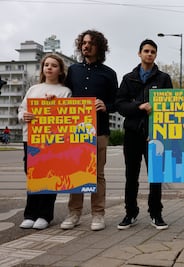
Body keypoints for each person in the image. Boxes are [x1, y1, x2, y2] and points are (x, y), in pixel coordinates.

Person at [60, 30, 118, 231]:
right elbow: (64, 95)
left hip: (99, 130)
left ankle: (98, 215)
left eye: (91, 43)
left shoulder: (109, 73)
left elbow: (117, 102)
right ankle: (74, 213)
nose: (86, 46)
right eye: (83, 43)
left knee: (97, 174)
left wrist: (106, 105)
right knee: (76, 172)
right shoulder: (72, 71)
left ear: (99, 47)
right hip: (75, 132)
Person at [116, 39, 172, 230]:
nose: (149, 54)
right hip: (132, 134)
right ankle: (130, 213)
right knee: (131, 176)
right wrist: (138, 106)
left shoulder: (163, 78)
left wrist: (156, 129)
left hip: (154, 135)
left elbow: (169, 106)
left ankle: (156, 213)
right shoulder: (128, 78)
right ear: (139, 53)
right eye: (146, 51)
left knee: (156, 176)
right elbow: (120, 105)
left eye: (153, 52)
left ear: (156, 55)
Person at [18, 54, 72, 229]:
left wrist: (53, 105)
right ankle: (30, 214)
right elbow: (22, 109)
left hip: (53, 140)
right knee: (32, 174)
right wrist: (23, 116)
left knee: (50, 175)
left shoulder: (64, 91)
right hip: (31, 138)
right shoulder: (33, 89)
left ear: (60, 70)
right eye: (46, 65)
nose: (49, 68)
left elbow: (67, 116)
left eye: (54, 65)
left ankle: (45, 215)